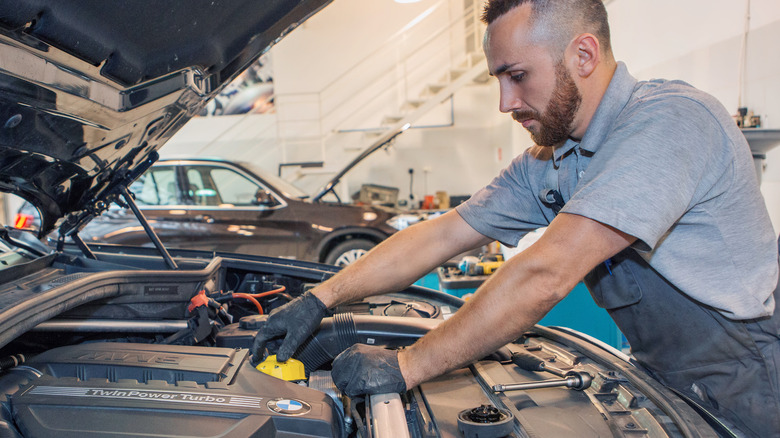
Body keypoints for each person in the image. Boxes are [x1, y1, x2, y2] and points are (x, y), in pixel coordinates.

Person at [253, 1, 780, 436]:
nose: (506, 102)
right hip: (658, 377)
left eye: (518, 76)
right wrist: (321, 297)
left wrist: (406, 365)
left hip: (748, 389)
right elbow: (443, 233)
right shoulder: (553, 160)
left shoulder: (669, 122)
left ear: (584, 54)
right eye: (498, 79)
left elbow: (545, 274)